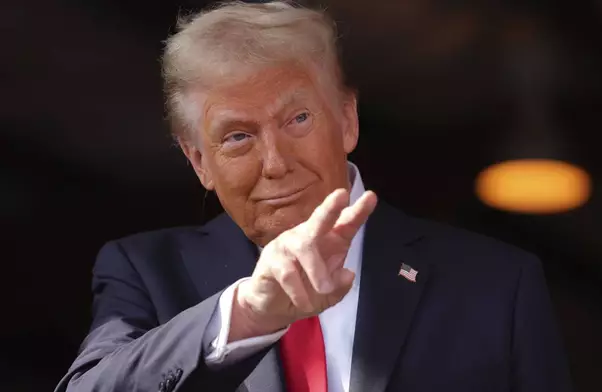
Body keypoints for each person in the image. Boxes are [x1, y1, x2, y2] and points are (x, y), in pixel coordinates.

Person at [56, 1, 572, 391]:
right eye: (238, 136)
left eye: (298, 118)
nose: (276, 163)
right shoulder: (145, 271)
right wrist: (247, 313)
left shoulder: (499, 284)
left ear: (347, 120)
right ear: (198, 162)